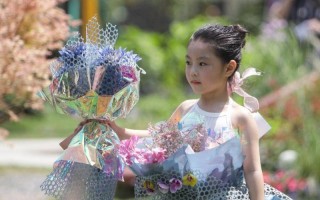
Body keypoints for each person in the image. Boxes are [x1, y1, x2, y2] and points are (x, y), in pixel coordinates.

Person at [65, 24, 292, 199]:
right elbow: (160, 139)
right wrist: (119, 131)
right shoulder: (186, 108)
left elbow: (252, 170)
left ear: (229, 67)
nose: (193, 71)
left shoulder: (241, 117)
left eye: (203, 64)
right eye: (188, 62)